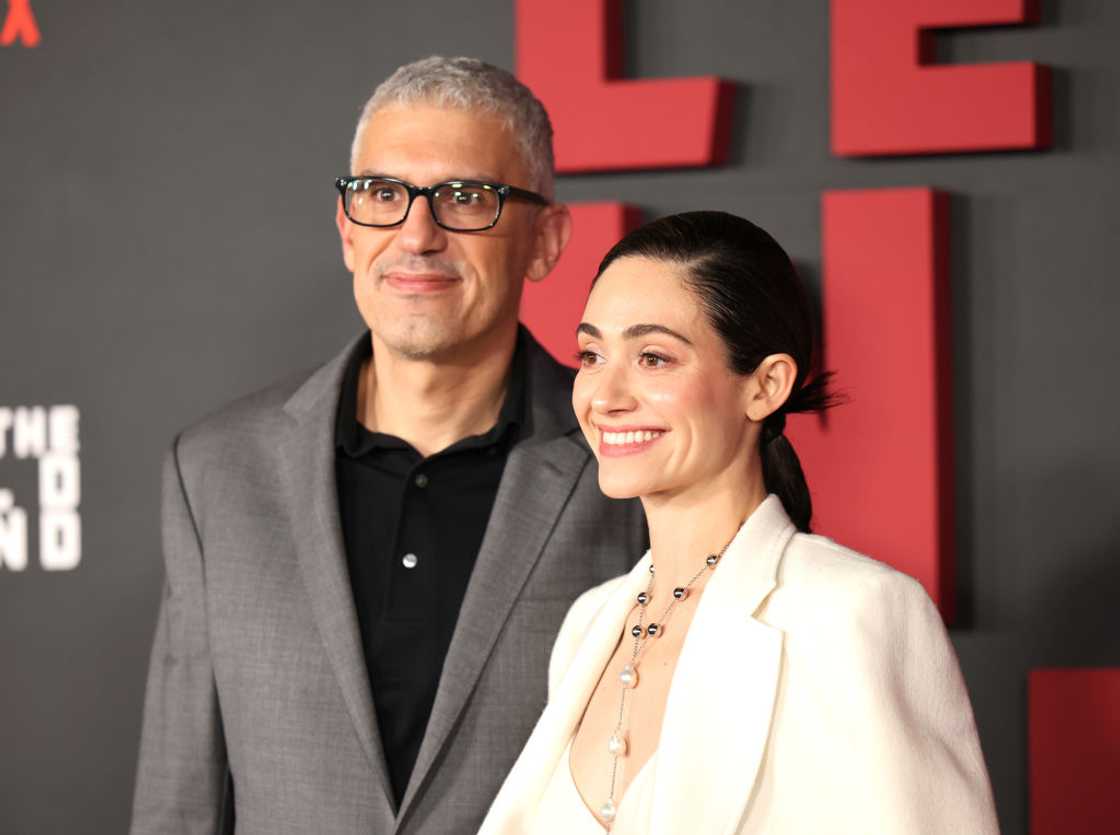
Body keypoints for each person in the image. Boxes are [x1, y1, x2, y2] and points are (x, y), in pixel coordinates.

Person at [129, 57, 646, 835]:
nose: (416, 234)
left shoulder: (631, 469)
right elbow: (180, 801)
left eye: (466, 198)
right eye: (383, 195)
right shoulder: (216, 473)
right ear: (346, 231)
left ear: (545, 240)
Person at [479, 211, 1000, 834]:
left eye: (653, 357)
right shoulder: (588, 624)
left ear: (766, 386)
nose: (604, 395)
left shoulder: (854, 612)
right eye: (591, 354)